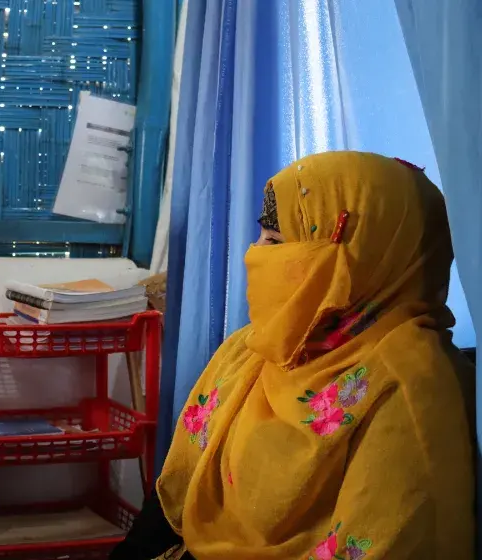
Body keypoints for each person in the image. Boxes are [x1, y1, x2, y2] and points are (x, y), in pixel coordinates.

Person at [111, 152, 475, 559]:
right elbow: (173, 500)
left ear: (361, 257)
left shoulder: (410, 390)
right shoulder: (255, 350)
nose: (255, 254)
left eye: (277, 242)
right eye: (263, 236)